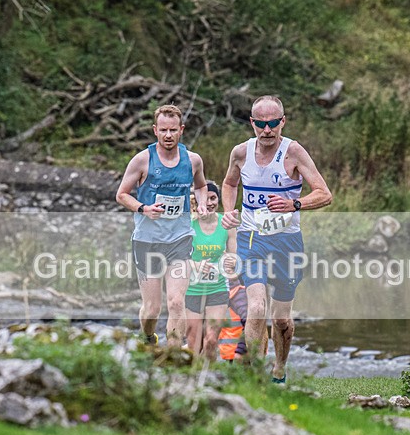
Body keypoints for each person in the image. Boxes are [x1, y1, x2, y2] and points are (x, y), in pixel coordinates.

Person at [221, 95, 332, 383]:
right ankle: (257, 377)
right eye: (261, 124)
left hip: (287, 242)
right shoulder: (241, 152)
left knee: (281, 319)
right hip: (251, 238)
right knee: (256, 307)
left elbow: (324, 193)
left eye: (273, 123)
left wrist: (294, 204)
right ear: (252, 123)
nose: (267, 130)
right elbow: (230, 183)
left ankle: (279, 369)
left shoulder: (293, 152)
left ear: (282, 122)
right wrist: (229, 211)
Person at [116, 104, 208, 347]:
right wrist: (144, 209)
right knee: (152, 308)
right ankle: (147, 337)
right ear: (155, 130)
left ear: (181, 130)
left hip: (180, 239)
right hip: (148, 240)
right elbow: (122, 194)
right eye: (164, 130)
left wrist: (202, 204)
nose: (168, 135)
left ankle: (173, 357)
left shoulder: (193, 160)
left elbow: (200, 186)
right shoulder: (142, 160)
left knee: (177, 302)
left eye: (173, 130)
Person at [185, 181, 237, 360]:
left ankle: (210, 381)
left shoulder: (227, 224)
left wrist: (230, 263)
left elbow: (234, 261)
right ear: (196, 201)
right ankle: (191, 382)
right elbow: (176, 261)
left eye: (213, 198)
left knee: (211, 341)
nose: (209, 203)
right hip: (191, 289)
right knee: (193, 344)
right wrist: (195, 265)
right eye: (205, 199)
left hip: (218, 288)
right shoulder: (188, 225)